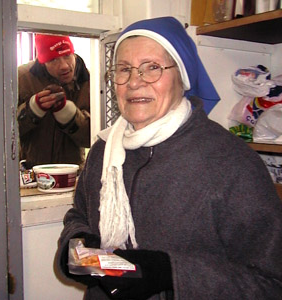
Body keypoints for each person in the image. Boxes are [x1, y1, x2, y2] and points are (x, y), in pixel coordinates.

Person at [55, 17, 282, 300]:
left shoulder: (232, 163)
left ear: (183, 76)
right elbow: (79, 217)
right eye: (124, 69)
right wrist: (76, 246)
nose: (135, 82)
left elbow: (271, 283)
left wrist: (170, 274)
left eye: (152, 68)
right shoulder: (103, 151)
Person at [17, 34, 90, 169]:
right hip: (30, 174)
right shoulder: (21, 78)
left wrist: (70, 117)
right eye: (53, 60)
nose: (63, 66)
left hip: (72, 174)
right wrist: (32, 110)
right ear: (42, 61)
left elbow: (94, 139)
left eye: (67, 55)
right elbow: (3, 133)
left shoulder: (91, 81)